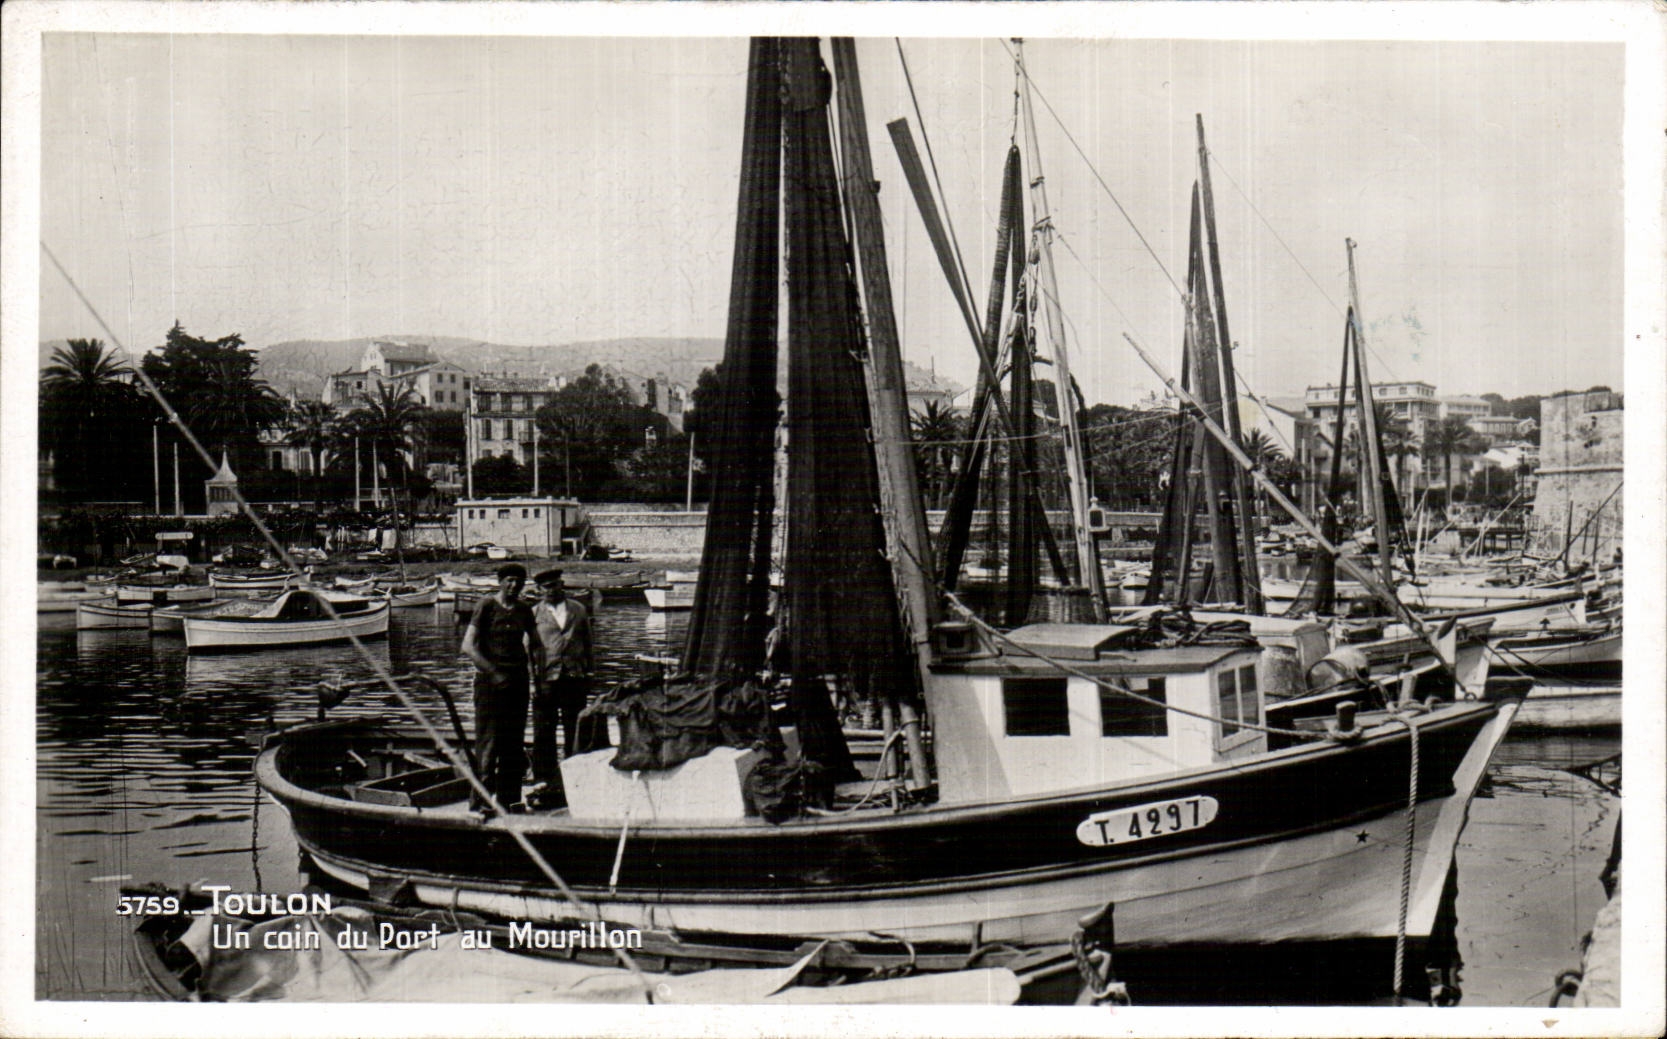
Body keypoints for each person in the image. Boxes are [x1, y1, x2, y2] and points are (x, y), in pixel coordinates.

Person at [460, 563, 542, 812]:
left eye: (518, 581)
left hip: (518, 684)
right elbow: (468, 646)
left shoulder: (524, 610)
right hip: (489, 685)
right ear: (500, 581)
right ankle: (481, 804)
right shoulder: (486, 606)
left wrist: (537, 679)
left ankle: (509, 801)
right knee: (488, 744)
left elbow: (536, 645)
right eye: (508, 580)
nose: (513, 585)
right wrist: (493, 672)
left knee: (514, 744)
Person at [531, 568, 600, 786]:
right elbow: (527, 650)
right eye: (547, 587)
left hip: (574, 676)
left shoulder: (578, 609)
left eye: (555, 585)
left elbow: (588, 643)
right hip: (546, 679)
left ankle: (575, 774)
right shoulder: (533, 614)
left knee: (575, 726)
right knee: (544, 729)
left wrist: (589, 672)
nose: (552, 590)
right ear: (539, 590)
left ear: (562, 585)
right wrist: (532, 682)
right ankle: (544, 777)